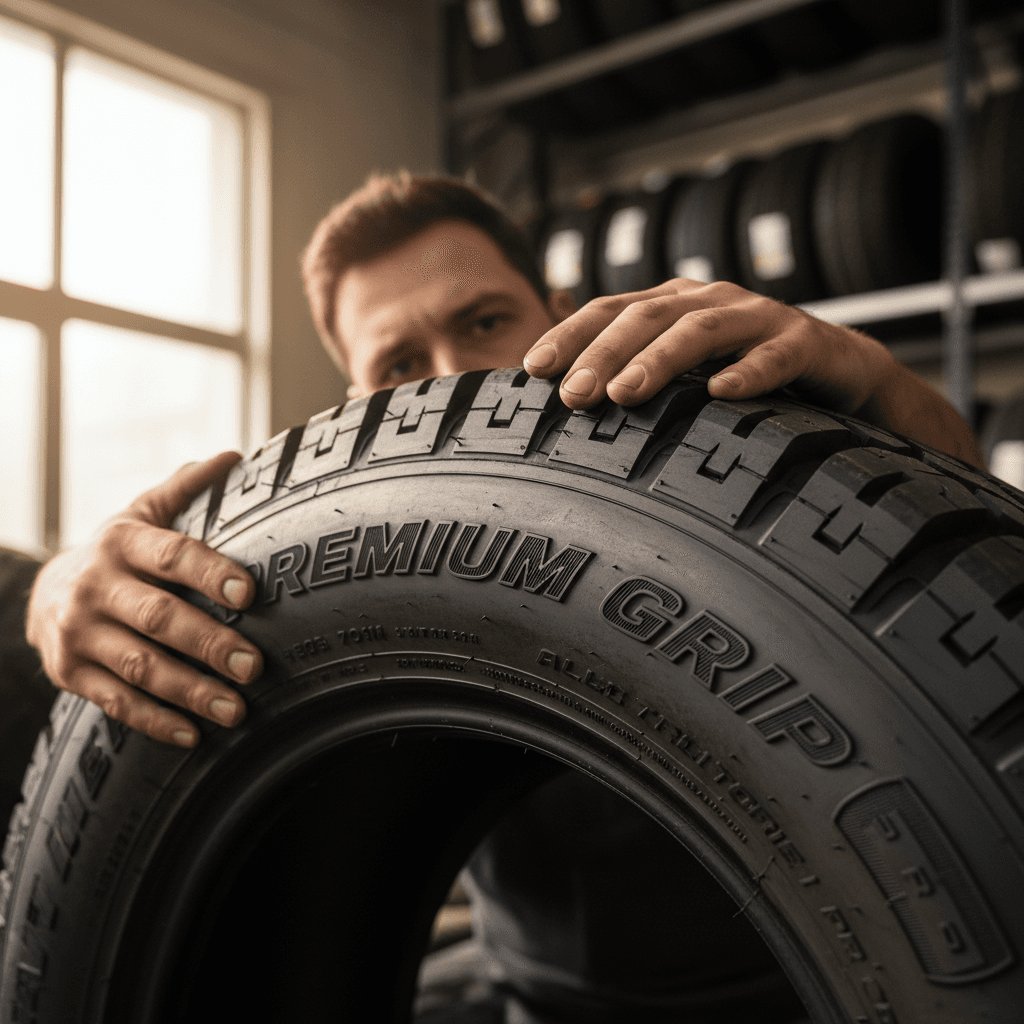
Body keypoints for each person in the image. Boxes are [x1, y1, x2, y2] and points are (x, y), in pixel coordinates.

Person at [23, 171, 986, 1021]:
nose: (456, 377)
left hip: (833, 989)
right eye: (399, 364)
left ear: (557, 303)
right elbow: (141, 591)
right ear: (358, 400)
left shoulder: (713, 420)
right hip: (541, 1003)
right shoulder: (341, 542)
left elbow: (958, 596)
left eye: (485, 322)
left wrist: (884, 394)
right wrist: (64, 585)